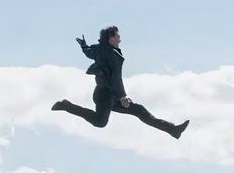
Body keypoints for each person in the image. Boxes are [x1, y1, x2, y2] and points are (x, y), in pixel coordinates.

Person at [52, 26, 190, 138]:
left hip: (105, 93)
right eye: (117, 36)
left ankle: (173, 130)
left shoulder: (99, 49)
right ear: (110, 39)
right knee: (100, 122)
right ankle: (66, 105)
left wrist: (83, 45)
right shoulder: (113, 54)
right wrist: (122, 96)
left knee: (139, 110)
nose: (120, 39)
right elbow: (116, 78)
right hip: (106, 95)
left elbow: (89, 52)